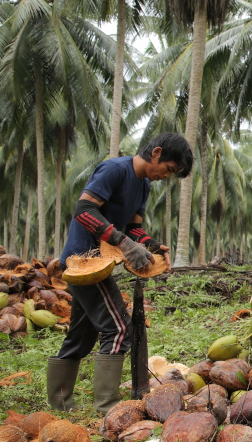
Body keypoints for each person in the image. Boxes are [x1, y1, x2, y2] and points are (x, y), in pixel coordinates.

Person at [47, 133, 193, 414]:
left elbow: (133, 228)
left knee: (81, 334)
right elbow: (85, 210)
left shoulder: (143, 187)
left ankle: (59, 403)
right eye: (169, 169)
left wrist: (150, 244)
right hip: (83, 261)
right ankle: (108, 407)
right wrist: (124, 243)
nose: (166, 176)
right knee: (119, 328)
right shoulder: (115, 169)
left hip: (99, 264)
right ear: (156, 153)